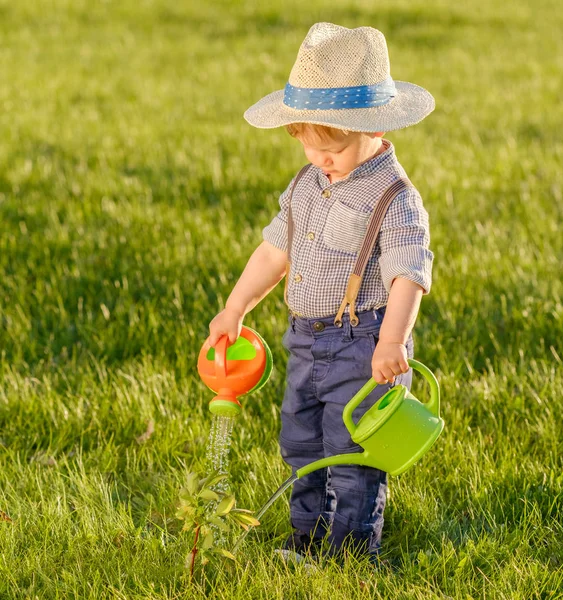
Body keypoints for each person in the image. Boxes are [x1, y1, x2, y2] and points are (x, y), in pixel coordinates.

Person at [208, 22, 435, 561]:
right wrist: (236, 305)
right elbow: (274, 251)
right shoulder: (307, 183)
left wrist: (393, 341)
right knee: (301, 441)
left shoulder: (395, 196)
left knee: (352, 450)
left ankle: (351, 552)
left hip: (362, 341)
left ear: (374, 128)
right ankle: (305, 540)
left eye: (331, 149)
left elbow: (409, 271)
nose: (319, 160)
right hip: (305, 341)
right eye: (309, 148)